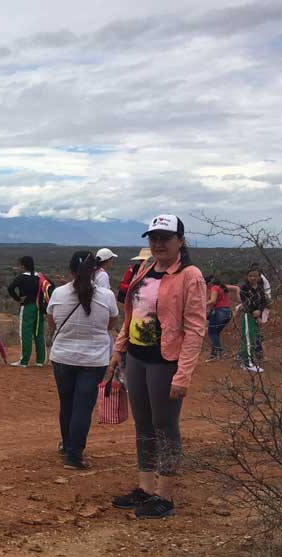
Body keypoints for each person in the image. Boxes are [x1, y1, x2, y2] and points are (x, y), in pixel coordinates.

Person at [107, 214, 206, 519]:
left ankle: (165, 495)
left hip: (166, 361)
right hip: (137, 357)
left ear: (181, 240)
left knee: (165, 426)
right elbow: (132, 313)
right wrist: (119, 348)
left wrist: (183, 373)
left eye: (165, 238)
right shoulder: (145, 269)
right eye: (153, 238)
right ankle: (146, 488)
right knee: (143, 423)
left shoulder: (190, 276)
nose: (159, 243)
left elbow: (196, 327)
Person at [47, 251, 119, 470]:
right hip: (94, 359)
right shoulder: (106, 296)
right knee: (83, 407)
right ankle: (74, 454)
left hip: (62, 357)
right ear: (95, 270)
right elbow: (111, 323)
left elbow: (52, 323)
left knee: (66, 403)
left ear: (70, 270)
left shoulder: (58, 293)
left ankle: (67, 444)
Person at [7, 256, 51, 367]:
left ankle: (24, 361)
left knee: (25, 334)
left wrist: (18, 298)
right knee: (39, 334)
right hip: (39, 308)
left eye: (19, 265)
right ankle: (40, 361)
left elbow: (10, 288)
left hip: (27, 307)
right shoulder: (40, 277)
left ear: (23, 266)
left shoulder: (21, 278)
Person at [237, 266, 270, 372]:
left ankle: (245, 357)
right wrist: (253, 312)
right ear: (247, 277)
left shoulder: (260, 288)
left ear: (259, 277)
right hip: (248, 315)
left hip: (257, 315)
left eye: (255, 276)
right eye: (250, 276)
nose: (252, 278)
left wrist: (259, 312)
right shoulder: (244, 288)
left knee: (255, 337)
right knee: (248, 337)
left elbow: (264, 302)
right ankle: (247, 363)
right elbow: (245, 302)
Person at [205, 275, 233, 360]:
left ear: (210, 283)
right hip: (228, 312)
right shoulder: (223, 288)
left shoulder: (215, 288)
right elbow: (236, 288)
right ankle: (213, 355)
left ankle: (221, 352)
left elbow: (213, 301)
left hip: (219, 312)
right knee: (215, 333)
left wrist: (202, 304)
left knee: (212, 333)